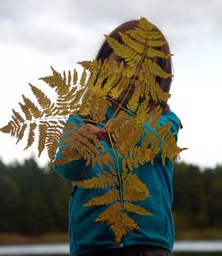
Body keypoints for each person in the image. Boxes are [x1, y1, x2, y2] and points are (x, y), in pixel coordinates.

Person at [53, 19, 182, 256]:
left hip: (149, 245)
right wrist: (79, 145)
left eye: (144, 65)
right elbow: (66, 169)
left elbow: (156, 139)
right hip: (91, 246)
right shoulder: (82, 119)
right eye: (122, 61)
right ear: (103, 65)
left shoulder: (165, 119)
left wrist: (127, 129)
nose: (133, 72)